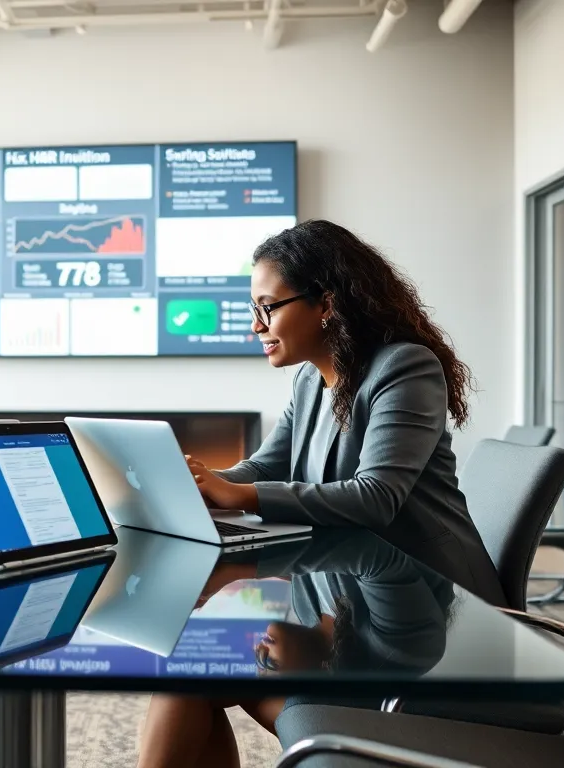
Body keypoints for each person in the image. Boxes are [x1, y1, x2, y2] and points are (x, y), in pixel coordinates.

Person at [185, 220, 504, 606]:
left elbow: (375, 497)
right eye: (255, 309)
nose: (256, 325)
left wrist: (237, 494)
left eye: (268, 308)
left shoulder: (404, 367)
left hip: (431, 592)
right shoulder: (308, 379)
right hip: (353, 580)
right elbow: (266, 468)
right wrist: (202, 484)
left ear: (325, 304)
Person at [140, 530, 455, 768]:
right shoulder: (385, 635)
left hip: (364, 725)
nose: (259, 650)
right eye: (269, 662)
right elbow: (353, 553)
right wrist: (227, 563)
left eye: (260, 661)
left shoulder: (392, 641)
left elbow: (353, 551)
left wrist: (238, 567)